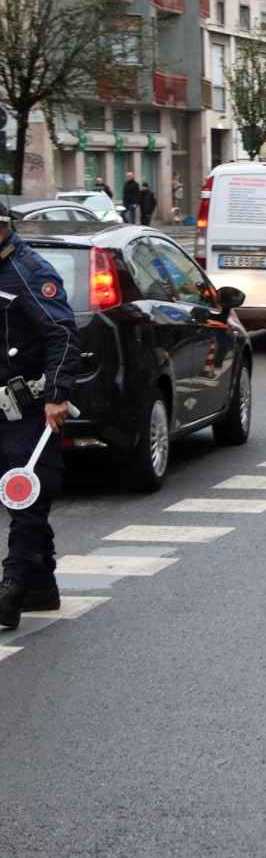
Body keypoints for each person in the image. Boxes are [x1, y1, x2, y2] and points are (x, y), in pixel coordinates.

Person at [0, 206, 82, 629]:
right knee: (18, 497)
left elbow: (62, 333)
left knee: (25, 495)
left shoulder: (29, 271)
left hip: (26, 408)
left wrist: (56, 396)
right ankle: (41, 587)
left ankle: (10, 587)